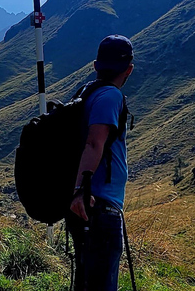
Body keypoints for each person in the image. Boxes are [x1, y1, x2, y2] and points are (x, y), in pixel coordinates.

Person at [68, 34, 133, 291]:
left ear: (95, 66)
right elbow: (95, 143)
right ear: (129, 69)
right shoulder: (111, 97)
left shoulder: (87, 93)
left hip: (82, 204)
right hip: (97, 206)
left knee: (85, 281)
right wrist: (81, 190)